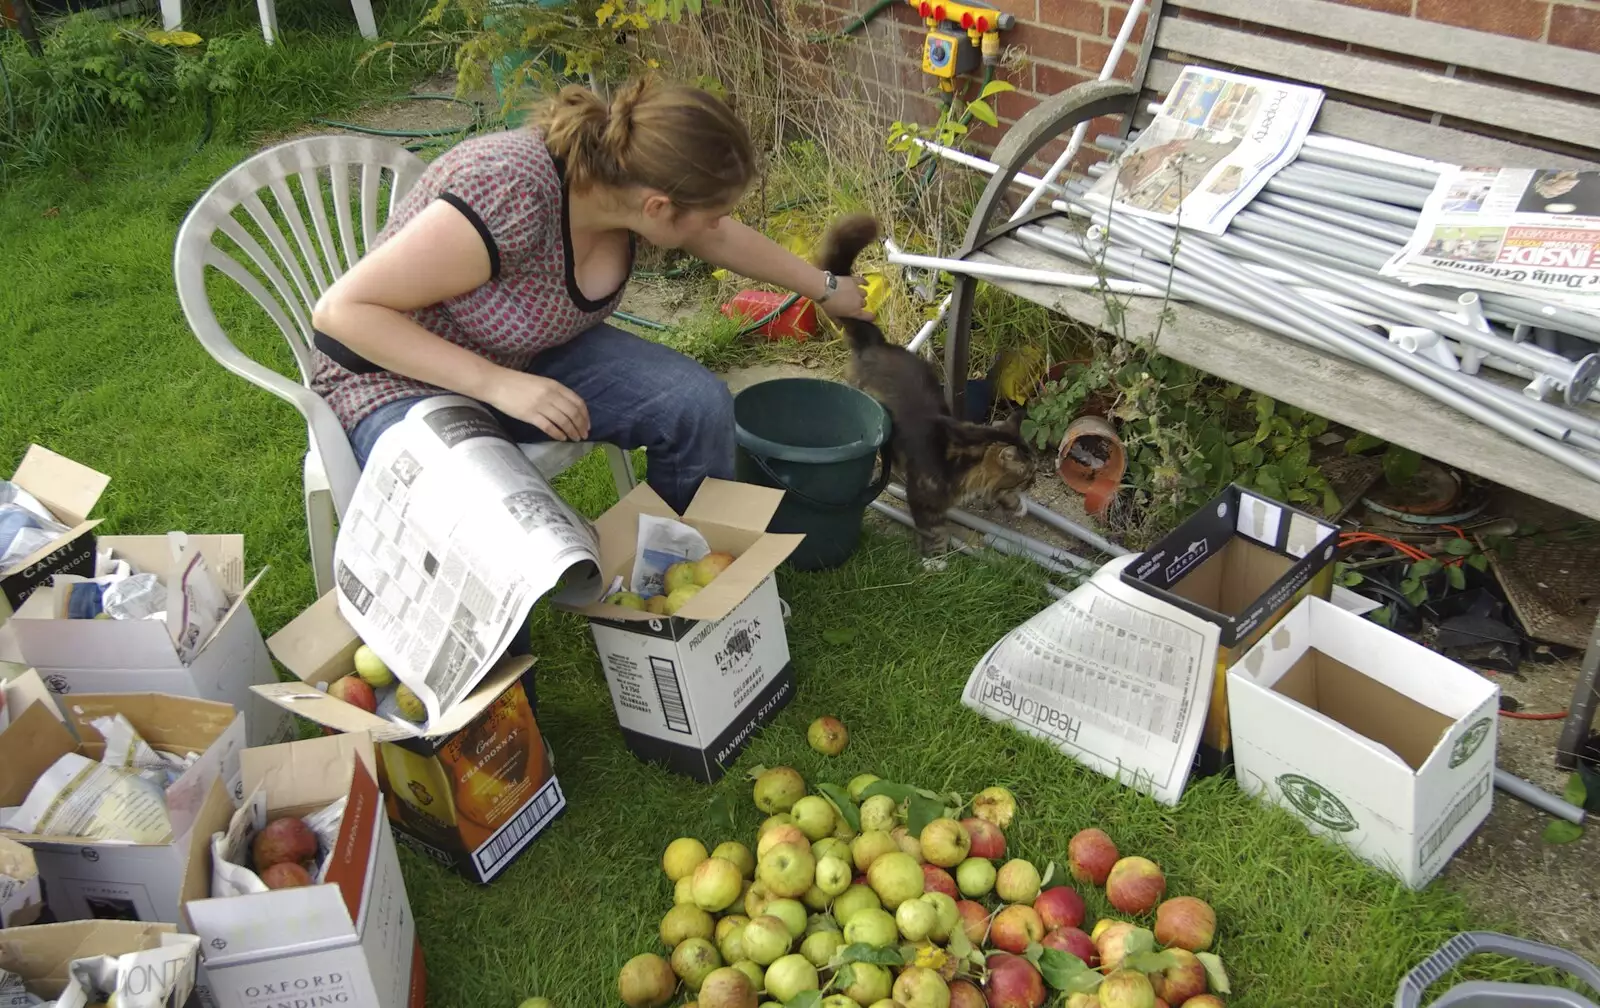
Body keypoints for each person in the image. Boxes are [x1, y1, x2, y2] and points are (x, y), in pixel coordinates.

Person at [309, 76, 874, 517]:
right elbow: (342, 313)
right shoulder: (509, 190)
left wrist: (824, 289)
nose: (720, 223)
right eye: (715, 210)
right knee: (487, 512)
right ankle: (502, 665)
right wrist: (498, 384)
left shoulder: (625, 182)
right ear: (657, 207)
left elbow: (716, 235)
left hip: (523, 356)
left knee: (695, 405)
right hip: (395, 378)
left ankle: (688, 579)